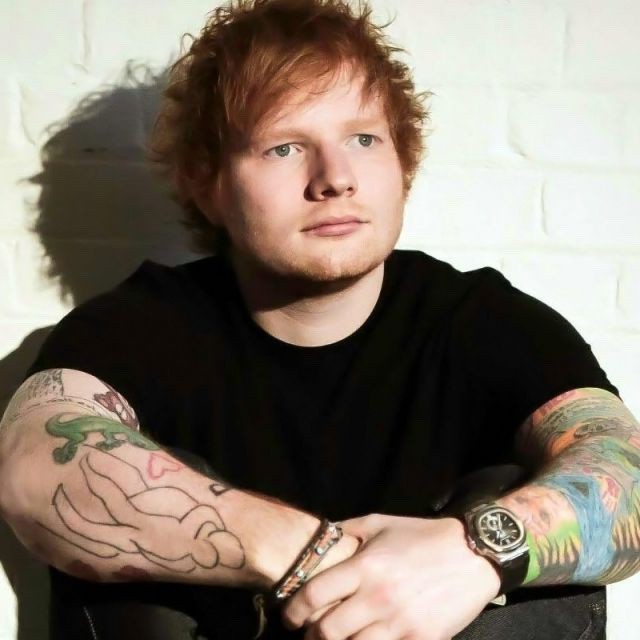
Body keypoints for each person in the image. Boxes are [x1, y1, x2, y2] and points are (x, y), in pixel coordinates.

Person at [1, 0, 639, 639]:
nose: (335, 178)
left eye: (364, 139)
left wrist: (474, 554)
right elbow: (31, 471)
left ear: (402, 161)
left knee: (533, 530)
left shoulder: (481, 320)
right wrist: (312, 557)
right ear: (208, 183)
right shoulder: (141, 325)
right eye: (284, 147)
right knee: (140, 512)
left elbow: (626, 475)